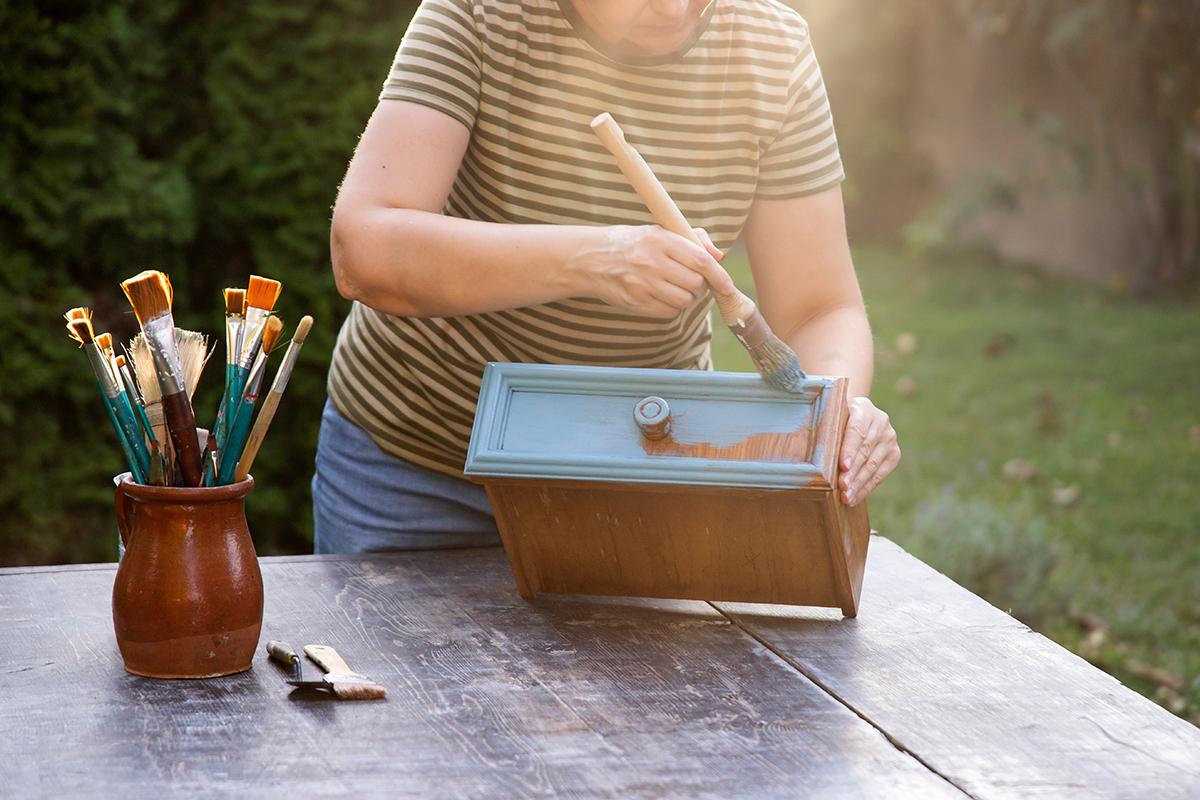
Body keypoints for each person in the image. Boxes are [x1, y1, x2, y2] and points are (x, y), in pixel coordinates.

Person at [313, 0, 901, 553]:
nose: (675, 9)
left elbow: (819, 309)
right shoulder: (482, 13)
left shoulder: (771, 44)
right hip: (423, 462)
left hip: (641, 464)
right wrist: (596, 258)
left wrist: (836, 408)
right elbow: (364, 248)